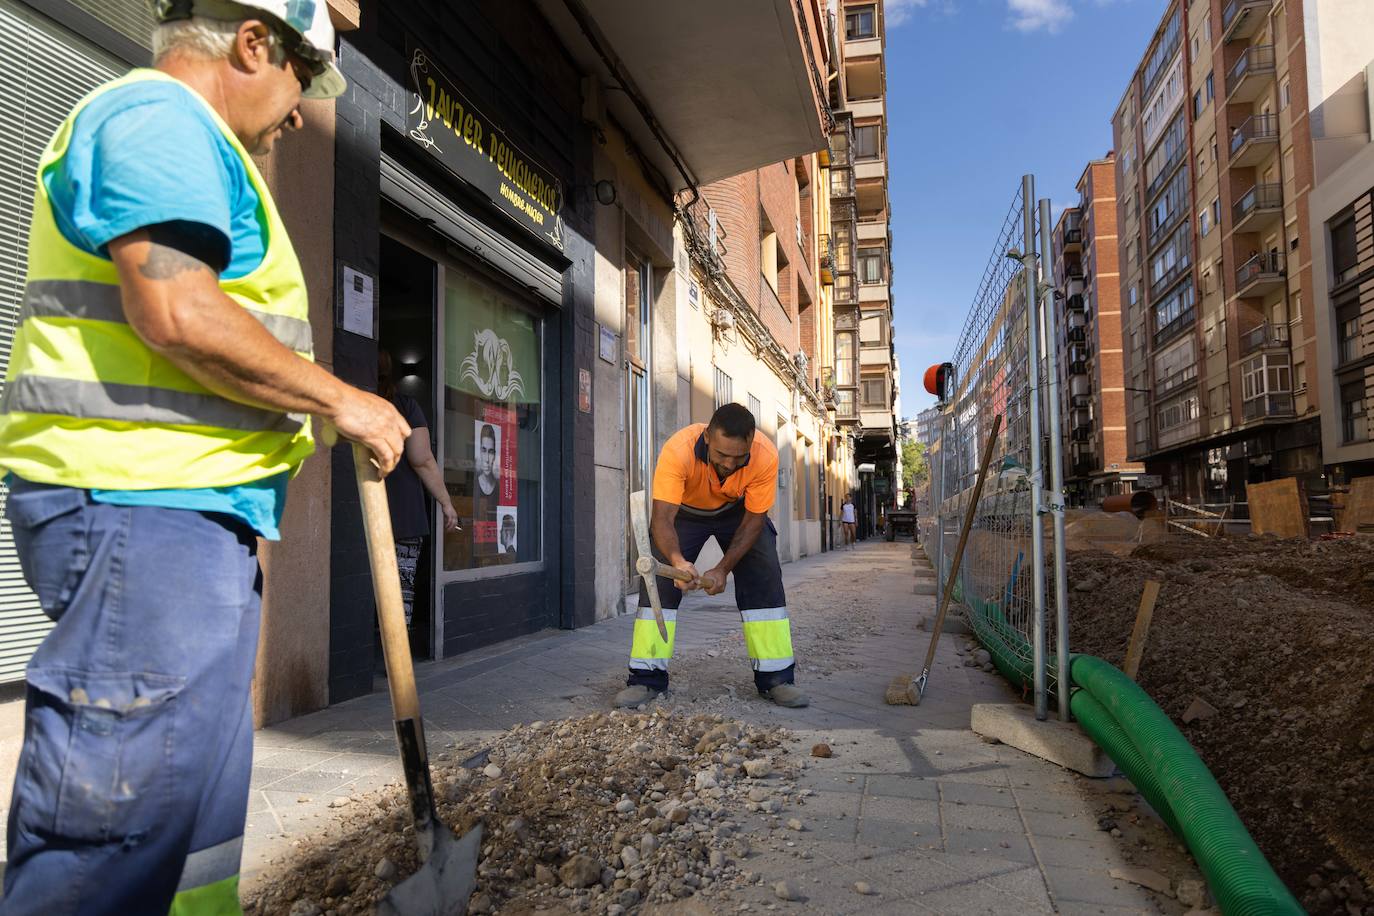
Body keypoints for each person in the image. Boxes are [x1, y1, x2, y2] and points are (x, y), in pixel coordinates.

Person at [0, 4, 411, 912]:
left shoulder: (204, 150)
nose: (300, 111)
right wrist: (341, 398)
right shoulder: (156, 119)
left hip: (193, 521)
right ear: (254, 43)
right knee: (113, 835)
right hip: (139, 513)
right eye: (303, 80)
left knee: (196, 834)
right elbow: (178, 311)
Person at [614, 404, 808, 709]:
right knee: (660, 582)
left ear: (751, 443)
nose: (730, 464)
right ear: (707, 437)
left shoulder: (765, 455)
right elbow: (662, 519)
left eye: (738, 457)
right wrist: (677, 561)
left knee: (764, 575)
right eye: (722, 455)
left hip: (738, 514)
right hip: (686, 514)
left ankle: (776, 679)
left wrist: (722, 569)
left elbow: (753, 522)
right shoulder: (678, 450)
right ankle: (646, 678)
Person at [378, 350, 459, 629]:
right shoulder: (405, 406)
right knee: (401, 591)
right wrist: (446, 502)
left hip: (367, 515)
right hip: (405, 514)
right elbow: (422, 459)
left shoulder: (356, 406)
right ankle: (397, 659)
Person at [476, 422, 499, 497]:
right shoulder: (474, 484)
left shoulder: (499, 488)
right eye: (484, 450)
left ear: (495, 455)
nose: (487, 459)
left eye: (491, 452)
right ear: (480, 451)